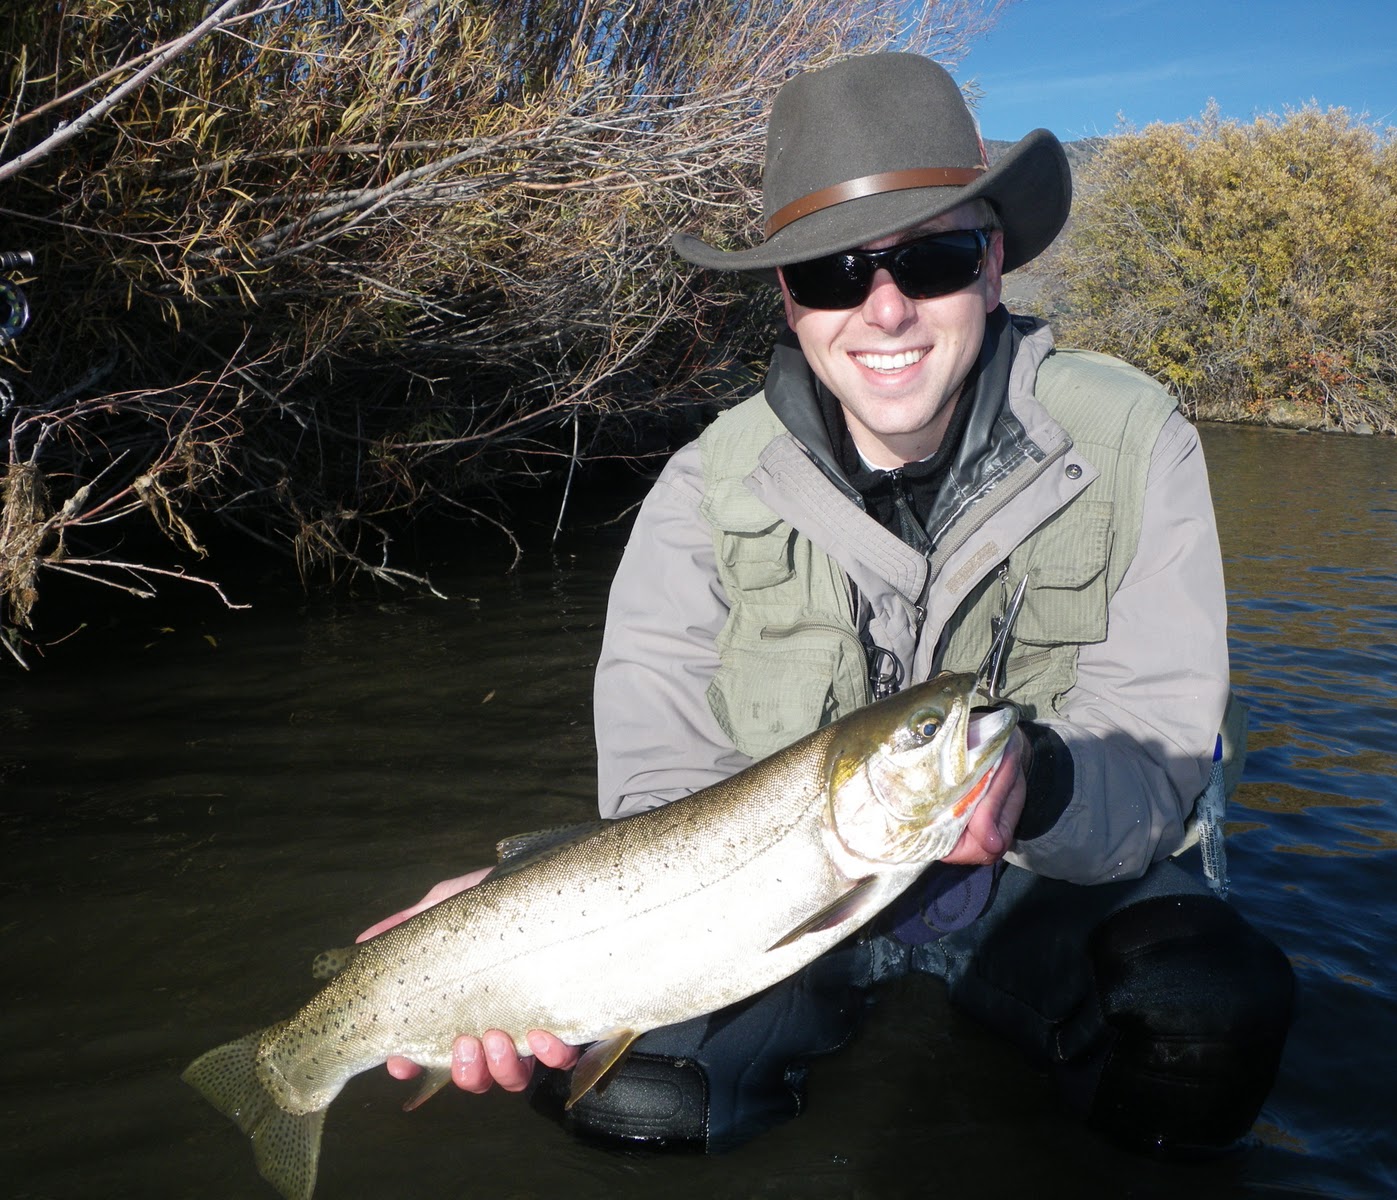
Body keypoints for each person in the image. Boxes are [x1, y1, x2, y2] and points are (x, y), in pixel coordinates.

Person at [363, 51, 1294, 1157]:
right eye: (835, 274)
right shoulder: (702, 490)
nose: (886, 310)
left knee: (1204, 1010)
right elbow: (660, 791)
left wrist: (1036, 785)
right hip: (778, 914)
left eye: (933, 259)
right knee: (625, 1093)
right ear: (789, 302)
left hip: (1045, 890)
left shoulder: (1136, 443)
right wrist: (525, 920)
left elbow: (1158, 772)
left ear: (992, 267)